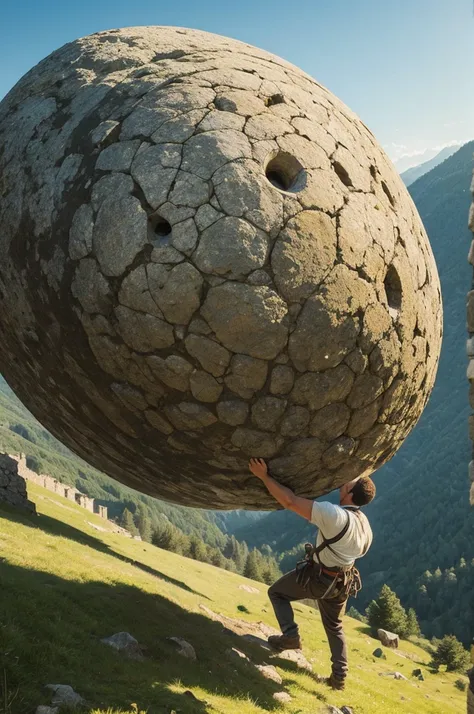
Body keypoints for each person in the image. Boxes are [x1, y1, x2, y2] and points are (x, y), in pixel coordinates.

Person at [248, 457, 375, 691]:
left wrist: (263, 476)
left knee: (276, 593)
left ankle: (290, 636)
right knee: (335, 626)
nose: (343, 482)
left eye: (348, 483)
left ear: (348, 493)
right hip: (342, 583)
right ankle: (339, 678)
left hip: (319, 578)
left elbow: (289, 500)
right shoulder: (365, 525)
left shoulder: (335, 515)